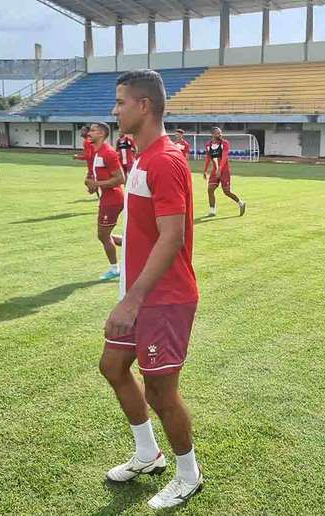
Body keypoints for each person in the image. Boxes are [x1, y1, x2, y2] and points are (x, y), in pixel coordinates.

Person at [101, 69, 202, 510]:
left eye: (121, 102)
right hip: (141, 294)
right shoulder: (142, 156)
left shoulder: (165, 158)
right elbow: (152, 228)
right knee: (113, 366)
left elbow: (173, 236)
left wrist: (132, 297)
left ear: (143, 106)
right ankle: (148, 454)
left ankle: (189, 474)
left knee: (161, 391)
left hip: (164, 298)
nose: (115, 109)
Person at [84, 122, 125, 281]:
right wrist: (91, 184)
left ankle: (115, 269)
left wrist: (97, 184)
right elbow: (99, 176)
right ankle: (132, 243)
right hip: (106, 198)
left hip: (113, 199)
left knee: (103, 235)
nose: (89, 133)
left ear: (101, 134)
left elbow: (120, 178)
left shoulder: (108, 153)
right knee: (103, 235)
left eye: (93, 131)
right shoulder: (96, 151)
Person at [204, 127, 246, 217]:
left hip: (224, 171)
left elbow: (224, 157)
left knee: (226, 192)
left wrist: (220, 168)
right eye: (217, 133)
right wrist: (205, 170)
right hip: (215, 171)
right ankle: (212, 210)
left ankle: (240, 203)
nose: (220, 134)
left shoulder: (225, 143)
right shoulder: (208, 145)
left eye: (220, 133)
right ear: (212, 134)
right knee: (210, 189)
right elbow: (208, 158)